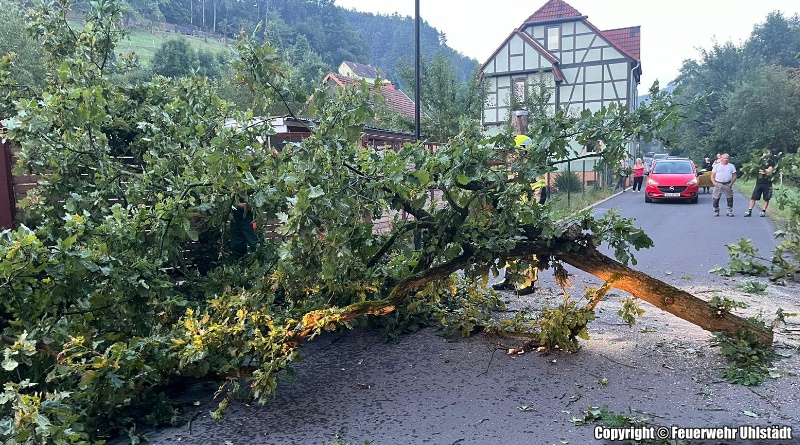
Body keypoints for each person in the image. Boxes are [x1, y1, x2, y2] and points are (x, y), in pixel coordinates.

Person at [744, 152, 776, 217]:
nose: (765, 155)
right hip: (759, 183)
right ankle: (749, 211)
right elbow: (754, 170)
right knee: (753, 197)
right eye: (764, 154)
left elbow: (770, 170)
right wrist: (764, 171)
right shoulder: (759, 162)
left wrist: (764, 171)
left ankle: (763, 211)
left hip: (768, 183)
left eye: (767, 154)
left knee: (766, 198)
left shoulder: (772, 162)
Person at [711, 153, 737, 217]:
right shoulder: (717, 166)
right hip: (718, 183)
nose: (726, 160)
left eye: (727, 158)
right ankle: (716, 210)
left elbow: (734, 176)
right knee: (716, 198)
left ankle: (729, 211)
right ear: (721, 159)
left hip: (727, 184)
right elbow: (712, 175)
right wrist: (714, 183)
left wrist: (731, 183)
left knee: (730, 198)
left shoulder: (731, 166)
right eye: (725, 158)